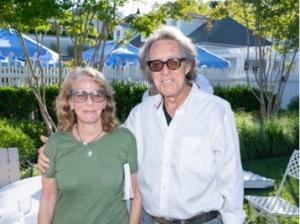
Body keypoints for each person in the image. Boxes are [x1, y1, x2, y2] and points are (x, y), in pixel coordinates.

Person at [39, 26, 245, 224]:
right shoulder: (141, 114)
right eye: (156, 64)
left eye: (173, 62)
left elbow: (231, 179)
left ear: (188, 66)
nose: (165, 72)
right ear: (149, 72)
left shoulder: (216, 111)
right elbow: (105, 139)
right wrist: (53, 150)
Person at [38, 67, 141, 224]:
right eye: (80, 95)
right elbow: (47, 199)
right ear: (70, 102)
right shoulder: (56, 144)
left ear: (105, 102)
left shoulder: (124, 140)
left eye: (97, 95)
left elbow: (137, 194)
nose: (89, 101)